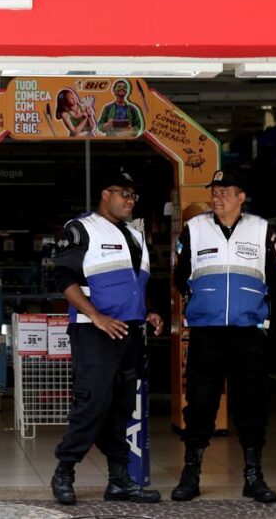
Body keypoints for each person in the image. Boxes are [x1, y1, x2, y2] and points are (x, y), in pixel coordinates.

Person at [171, 168, 276, 504]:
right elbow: (180, 275)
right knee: (200, 403)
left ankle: (254, 475)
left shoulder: (262, 230)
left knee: (251, 403)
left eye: (224, 191)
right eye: (214, 190)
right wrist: (203, 301)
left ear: (241, 197)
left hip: (248, 333)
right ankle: (191, 473)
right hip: (207, 333)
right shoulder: (194, 229)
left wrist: (256, 311)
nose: (216, 196)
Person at [50, 170, 164, 505]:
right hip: (94, 333)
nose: (130, 200)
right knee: (92, 404)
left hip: (130, 333)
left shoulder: (136, 236)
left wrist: (149, 311)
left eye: (133, 195)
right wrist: (97, 316)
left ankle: (119, 480)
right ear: (105, 194)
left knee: (122, 409)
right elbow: (63, 279)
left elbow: (136, 285)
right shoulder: (81, 229)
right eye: (123, 193)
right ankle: (64, 471)